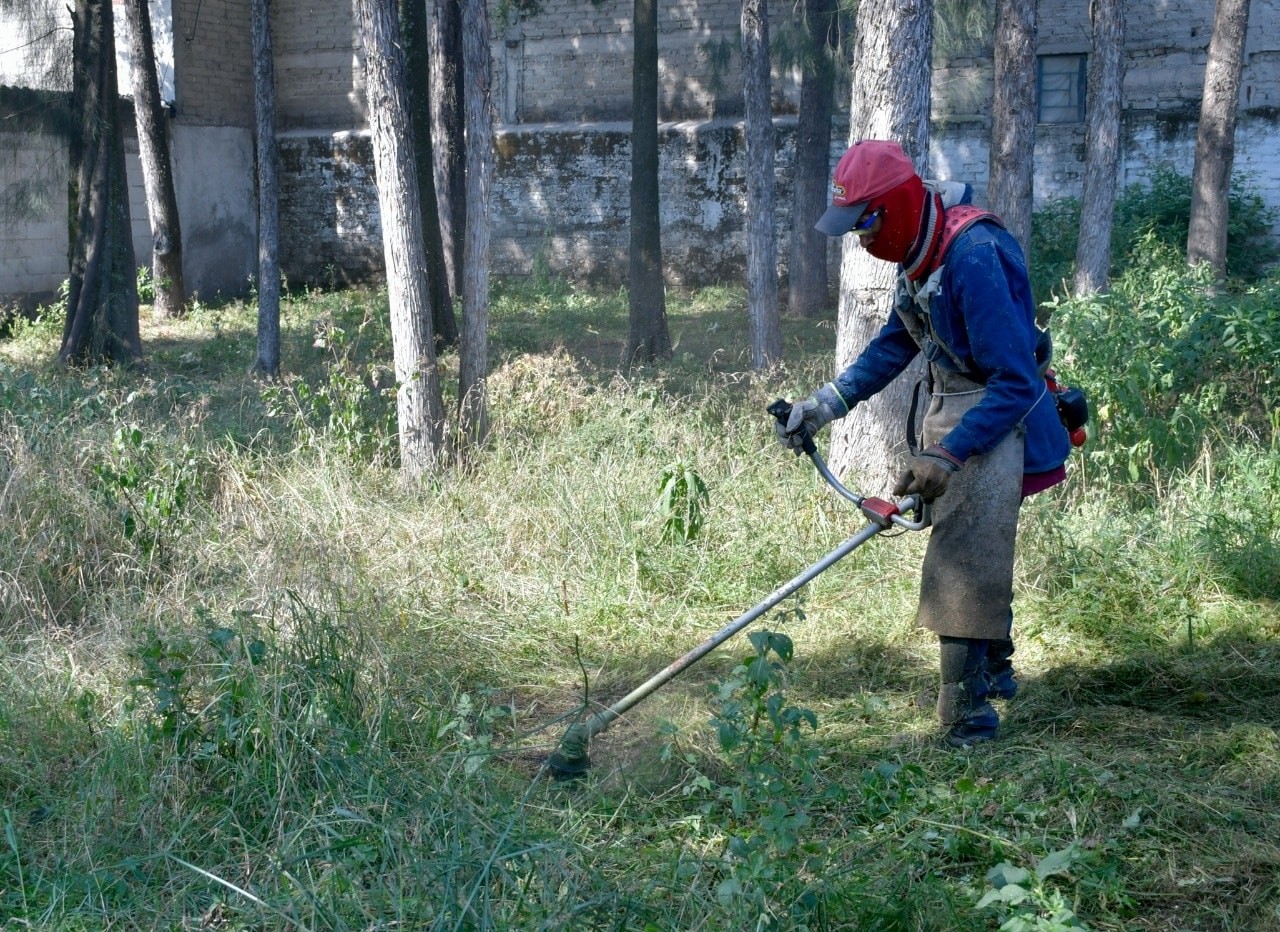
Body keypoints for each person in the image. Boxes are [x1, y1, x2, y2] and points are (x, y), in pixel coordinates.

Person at [778, 139, 1070, 748]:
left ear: (896, 207)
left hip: (1000, 411)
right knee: (977, 543)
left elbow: (1015, 379)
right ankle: (995, 667)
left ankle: (968, 715)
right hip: (957, 405)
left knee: (963, 556)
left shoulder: (974, 254)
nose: (860, 240)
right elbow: (896, 343)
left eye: (863, 225)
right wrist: (824, 406)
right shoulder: (920, 252)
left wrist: (946, 454)